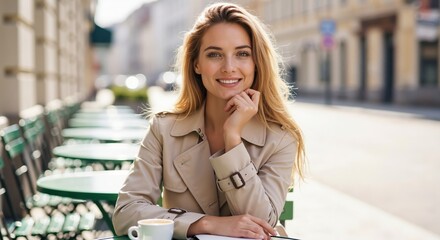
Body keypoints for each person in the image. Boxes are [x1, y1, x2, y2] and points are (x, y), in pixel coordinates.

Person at [112, 2, 305, 240]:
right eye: (214, 54)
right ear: (196, 64)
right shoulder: (164, 129)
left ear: (256, 63)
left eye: (242, 54)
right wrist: (205, 224)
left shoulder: (281, 139)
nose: (229, 67)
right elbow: (125, 212)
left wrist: (232, 138)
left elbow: (261, 225)